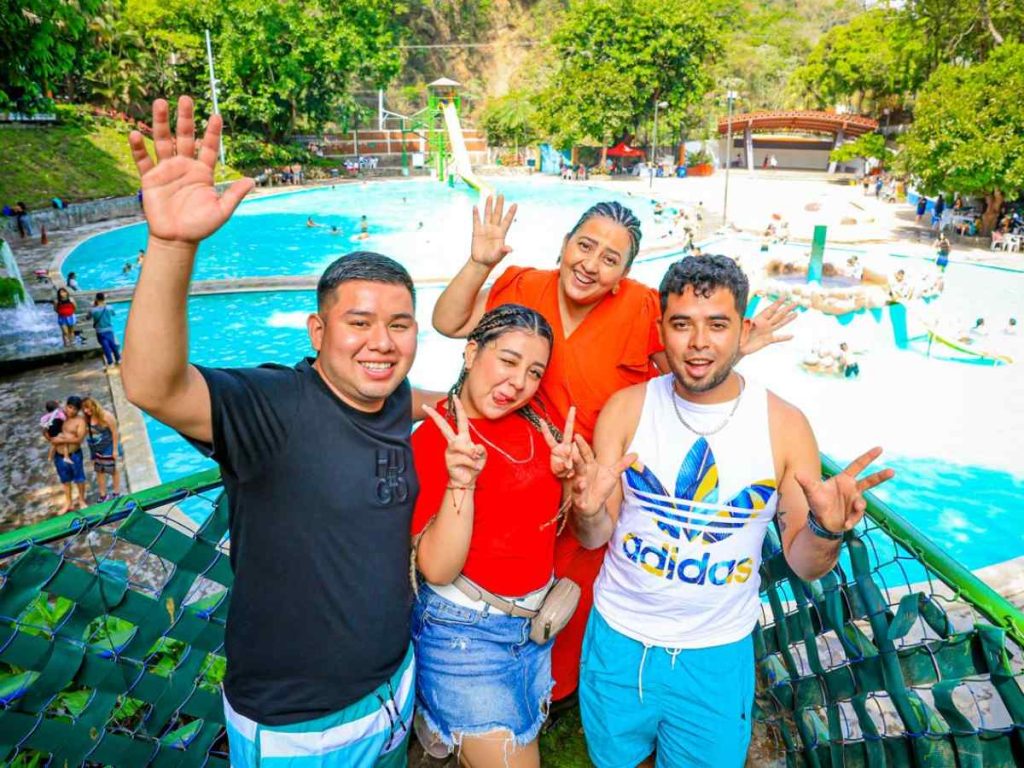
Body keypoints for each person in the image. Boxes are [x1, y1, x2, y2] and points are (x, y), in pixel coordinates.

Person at [121, 96, 437, 767]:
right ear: (318, 332)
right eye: (359, 322)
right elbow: (155, 386)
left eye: (400, 324)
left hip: (392, 687)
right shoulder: (275, 407)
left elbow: (421, 402)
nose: (381, 342)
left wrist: (478, 406)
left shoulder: (393, 396)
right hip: (299, 727)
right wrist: (173, 243)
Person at [432, 196, 796, 706]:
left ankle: (555, 697)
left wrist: (732, 346)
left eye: (611, 259)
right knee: (494, 571)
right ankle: (478, 677)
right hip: (513, 467)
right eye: (585, 245)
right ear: (565, 244)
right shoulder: (521, 284)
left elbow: (686, 360)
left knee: (575, 588)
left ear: (623, 274)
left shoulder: (643, 307)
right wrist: (479, 264)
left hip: (589, 476)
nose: (591, 264)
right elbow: (449, 323)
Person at [570, 255, 893, 768]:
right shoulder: (628, 409)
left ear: (742, 330)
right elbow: (594, 536)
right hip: (619, 638)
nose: (699, 342)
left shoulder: (785, 426)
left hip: (716, 653)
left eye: (717, 325)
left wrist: (825, 529)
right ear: (662, 330)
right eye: (682, 324)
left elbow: (805, 563)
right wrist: (586, 509)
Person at [411, 304, 577, 766]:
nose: (518, 381)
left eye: (533, 371)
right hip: (465, 639)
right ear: (470, 353)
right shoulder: (433, 438)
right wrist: (460, 481)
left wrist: (572, 482)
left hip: (532, 632)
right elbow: (437, 568)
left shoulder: (537, 429)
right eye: (507, 360)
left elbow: (546, 528)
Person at [48, 395, 89, 512]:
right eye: (69, 407)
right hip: (59, 455)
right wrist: (49, 438)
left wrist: (62, 440)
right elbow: (49, 431)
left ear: (78, 410)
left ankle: (81, 500)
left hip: (74, 454)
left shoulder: (80, 421)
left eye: (75, 409)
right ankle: (68, 503)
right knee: (65, 480)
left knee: (79, 478)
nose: (71, 411)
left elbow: (79, 439)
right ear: (66, 405)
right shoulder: (59, 417)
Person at [82, 396, 122, 501]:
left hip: (108, 445)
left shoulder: (106, 416)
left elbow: (115, 432)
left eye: (89, 408)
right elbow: (92, 430)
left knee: (112, 469)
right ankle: (103, 495)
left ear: (95, 406)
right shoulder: (87, 417)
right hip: (95, 446)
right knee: (99, 470)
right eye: (84, 408)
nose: (86, 411)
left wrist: (115, 449)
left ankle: (117, 492)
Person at [89, 292, 121, 369]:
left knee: (105, 346)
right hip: (109, 329)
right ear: (104, 299)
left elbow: (88, 317)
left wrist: (93, 306)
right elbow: (114, 314)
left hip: (100, 331)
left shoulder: (93, 310)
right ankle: (118, 359)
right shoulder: (110, 307)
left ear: (96, 299)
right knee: (113, 344)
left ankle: (110, 362)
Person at [40, 400, 74, 469]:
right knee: (65, 443)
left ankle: (49, 458)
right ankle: (66, 457)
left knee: (53, 445)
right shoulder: (59, 413)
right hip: (58, 433)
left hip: (51, 434)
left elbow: (42, 423)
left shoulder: (45, 417)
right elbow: (64, 419)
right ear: (56, 408)